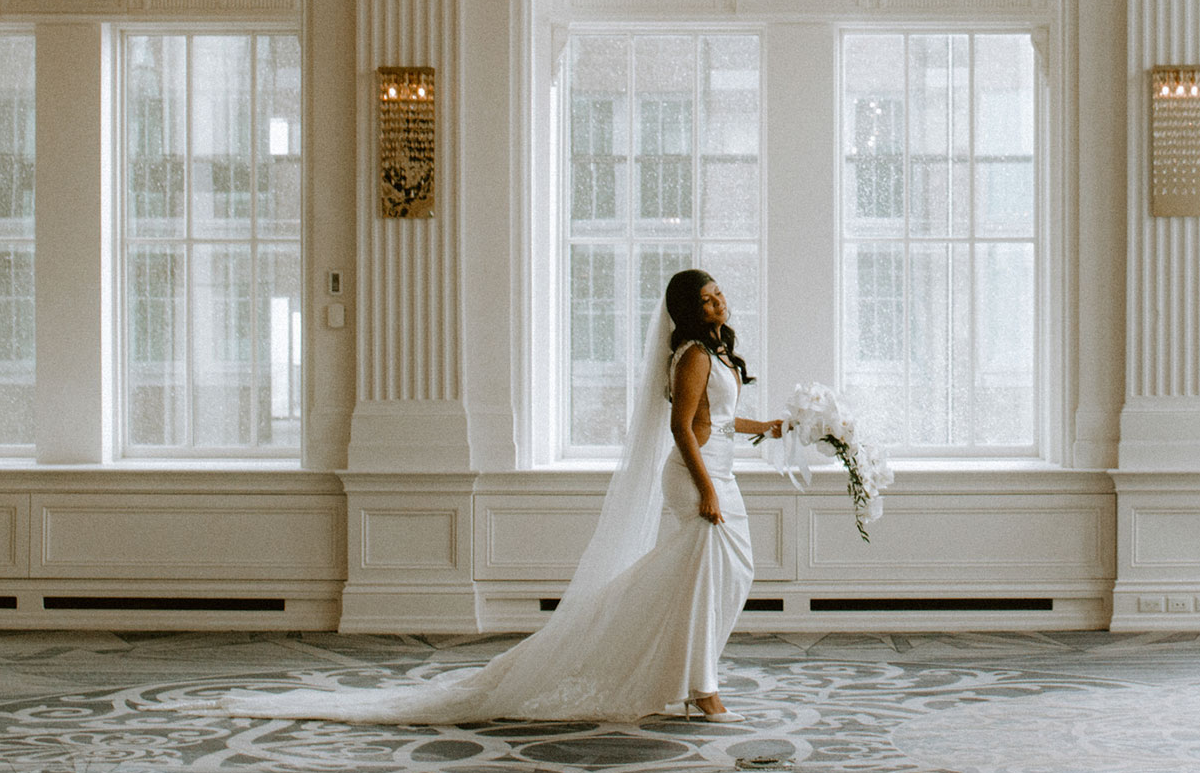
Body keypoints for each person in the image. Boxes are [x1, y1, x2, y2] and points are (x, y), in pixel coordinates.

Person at [221, 268, 783, 725]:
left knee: (720, 574)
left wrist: (775, 427)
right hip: (699, 478)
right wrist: (707, 490)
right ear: (689, 309)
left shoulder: (717, 353)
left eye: (720, 296)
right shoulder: (692, 356)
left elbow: (726, 422)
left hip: (722, 471)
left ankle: (682, 673)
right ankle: (699, 686)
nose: (719, 304)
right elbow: (683, 429)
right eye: (707, 300)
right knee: (706, 576)